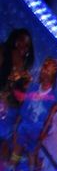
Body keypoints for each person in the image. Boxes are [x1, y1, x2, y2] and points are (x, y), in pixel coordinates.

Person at [15, 56, 56, 171]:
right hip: (23, 127)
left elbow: (49, 122)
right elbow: (23, 109)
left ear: (53, 75)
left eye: (49, 70)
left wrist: (41, 137)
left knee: (31, 157)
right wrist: (16, 125)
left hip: (36, 133)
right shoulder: (33, 88)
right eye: (44, 69)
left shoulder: (53, 98)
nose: (45, 72)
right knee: (16, 151)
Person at [0, 29, 33, 162]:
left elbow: (22, 99)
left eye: (26, 45)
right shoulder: (3, 54)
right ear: (15, 40)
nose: (22, 46)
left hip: (10, 115)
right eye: (21, 41)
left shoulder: (26, 74)